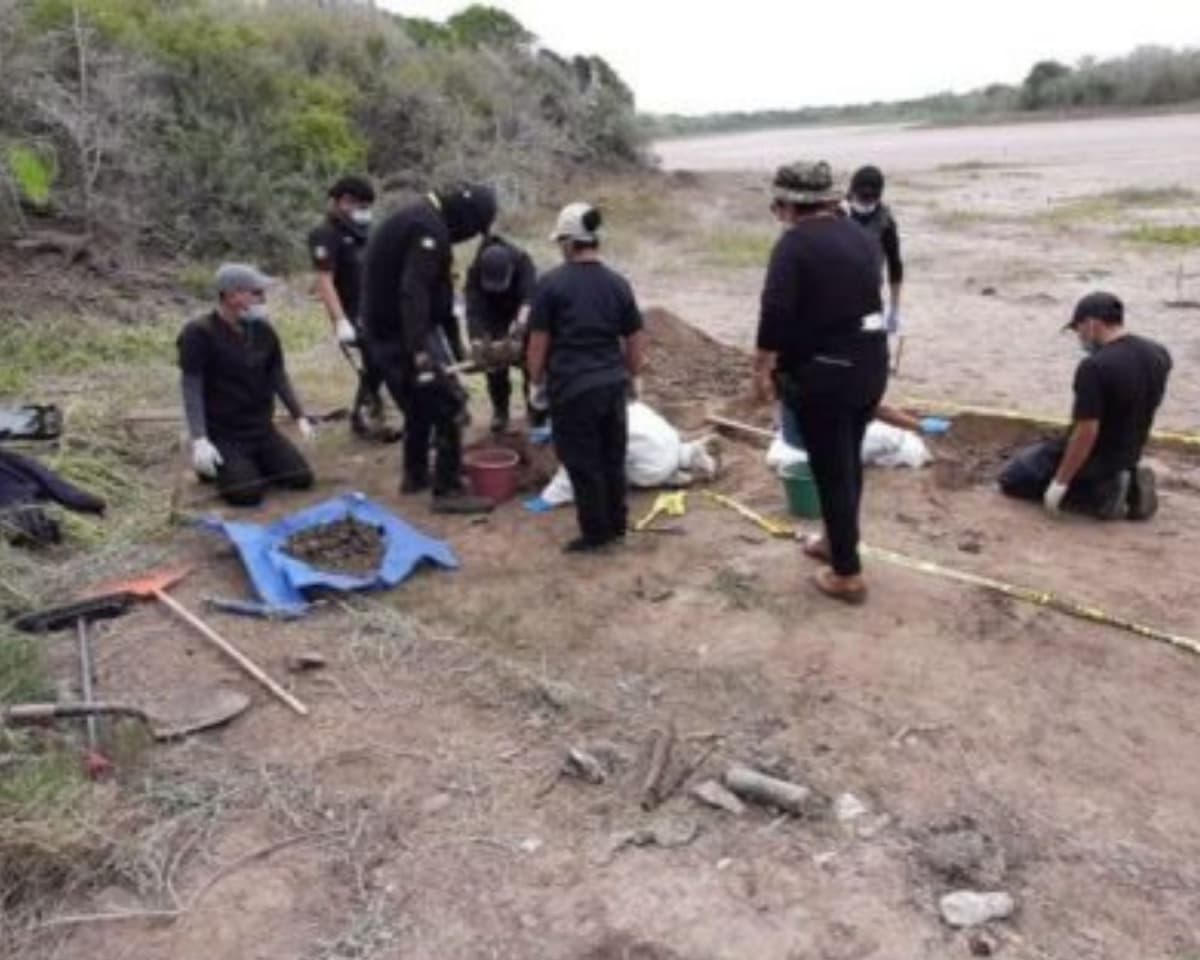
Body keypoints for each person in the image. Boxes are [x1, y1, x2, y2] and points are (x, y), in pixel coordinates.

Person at [755, 161, 889, 603]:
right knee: (846, 459)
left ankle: (847, 574)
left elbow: (775, 313)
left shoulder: (794, 245)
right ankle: (837, 541)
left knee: (832, 470)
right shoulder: (859, 235)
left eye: (777, 205)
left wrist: (762, 369)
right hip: (870, 364)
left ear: (787, 204)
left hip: (827, 374)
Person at [361, 182, 497, 513]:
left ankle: (416, 474)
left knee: (420, 406)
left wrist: (455, 349)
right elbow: (414, 291)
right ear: (465, 218)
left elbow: (437, 299)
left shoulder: (418, 216)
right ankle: (448, 490)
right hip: (399, 335)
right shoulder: (428, 229)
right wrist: (420, 351)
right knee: (448, 405)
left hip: (385, 331)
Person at [526, 202, 645, 553]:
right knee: (612, 456)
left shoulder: (550, 285)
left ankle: (596, 534)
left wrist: (536, 382)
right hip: (612, 385)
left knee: (583, 462)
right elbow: (636, 338)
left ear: (567, 242)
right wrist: (633, 376)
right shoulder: (618, 284)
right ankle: (617, 525)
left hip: (573, 387)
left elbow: (538, 342)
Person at [999, 292, 1170, 520]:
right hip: (1128, 452)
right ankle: (1126, 478)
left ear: (1090, 324)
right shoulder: (1158, 353)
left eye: (1077, 329)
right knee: (1035, 455)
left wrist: (1060, 484)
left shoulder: (1094, 367)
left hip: (1096, 457)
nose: (1078, 336)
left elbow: (1086, 432)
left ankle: (1100, 494)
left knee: (1013, 477)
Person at [178, 264, 316, 507]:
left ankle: (248, 464)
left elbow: (277, 375)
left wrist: (300, 416)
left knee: (300, 479)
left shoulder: (263, 331)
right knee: (246, 495)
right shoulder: (199, 333)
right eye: (256, 293)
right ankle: (216, 465)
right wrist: (199, 437)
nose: (262, 299)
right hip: (225, 433)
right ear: (232, 295)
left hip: (261, 428)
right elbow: (191, 384)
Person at [308, 175, 398, 442]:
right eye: (356, 204)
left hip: (377, 307)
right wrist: (339, 320)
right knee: (375, 362)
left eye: (366, 205)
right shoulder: (324, 235)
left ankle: (366, 414)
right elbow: (324, 281)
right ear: (339, 202)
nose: (362, 210)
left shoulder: (365, 232)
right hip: (352, 312)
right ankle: (367, 416)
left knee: (378, 366)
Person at [464, 235, 539, 433]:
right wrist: (477, 339)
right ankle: (500, 410)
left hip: (518, 309)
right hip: (492, 312)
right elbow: (473, 308)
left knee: (530, 361)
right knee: (494, 363)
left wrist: (519, 331)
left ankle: (533, 408)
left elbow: (529, 300)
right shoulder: (475, 270)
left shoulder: (523, 263)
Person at [845, 165, 903, 336]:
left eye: (871, 200)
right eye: (862, 198)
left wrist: (894, 308)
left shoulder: (885, 221)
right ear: (852, 191)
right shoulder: (836, 213)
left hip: (870, 294)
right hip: (835, 292)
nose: (866, 203)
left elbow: (895, 264)